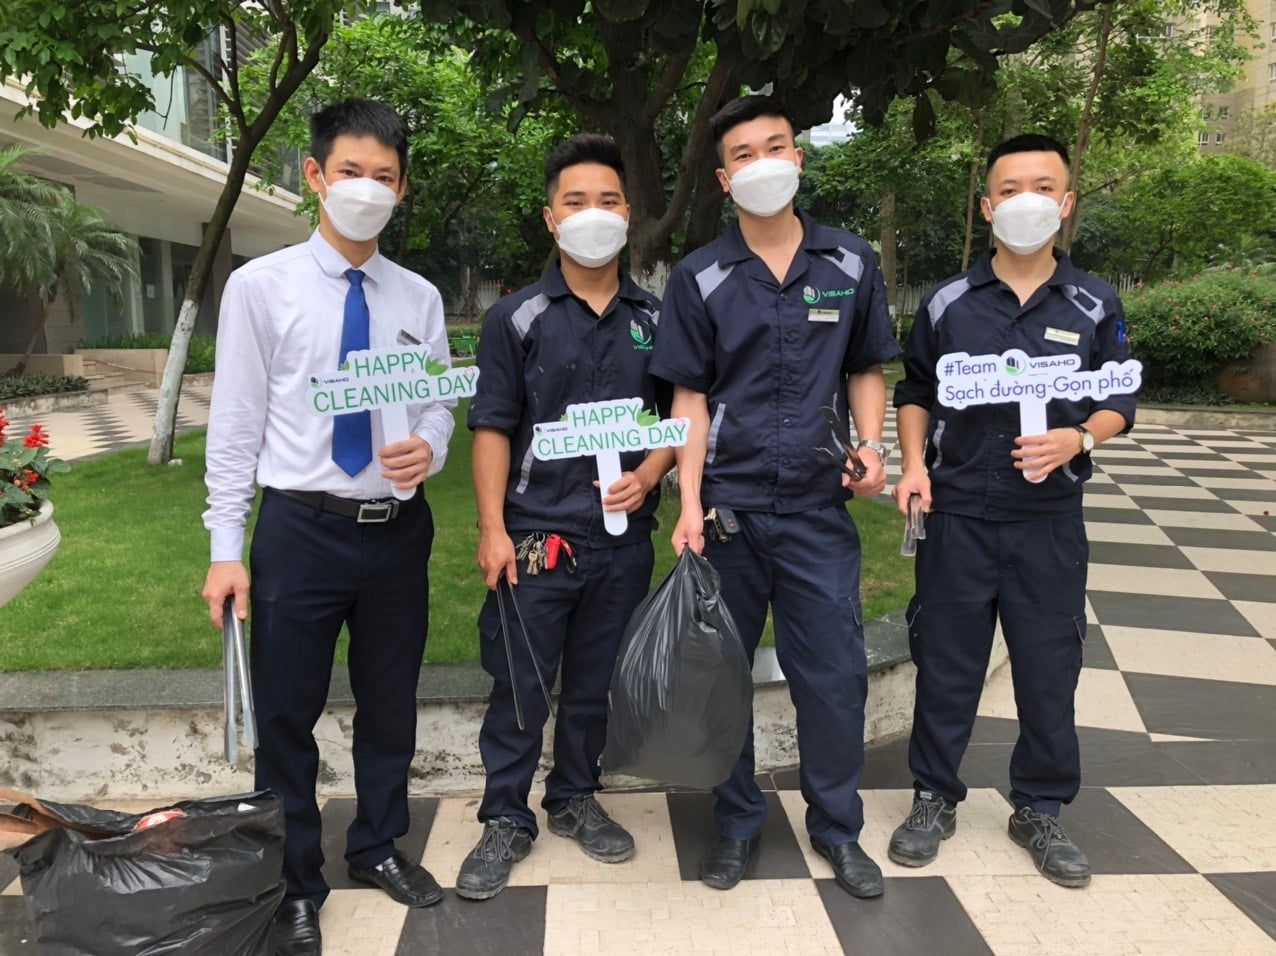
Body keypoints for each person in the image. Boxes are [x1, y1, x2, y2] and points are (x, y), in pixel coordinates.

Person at [202, 99, 452, 955]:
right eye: (351, 172)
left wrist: (430, 446)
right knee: (285, 715)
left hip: (396, 532)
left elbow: (437, 402)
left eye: (384, 178)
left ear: (402, 189)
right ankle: (295, 881)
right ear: (314, 175)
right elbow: (234, 429)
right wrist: (224, 551)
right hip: (299, 532)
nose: (367, 190)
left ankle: (377, 846)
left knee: (390, 705)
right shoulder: (259, 288)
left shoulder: (419, 297)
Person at [649, 95, 900, 898]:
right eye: (745, 155)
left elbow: (867, 367)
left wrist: (870, 445)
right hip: (728, 510)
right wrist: (687, 504)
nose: (765, 164)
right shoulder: (701, 276)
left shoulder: (851, 263)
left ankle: (837, 827)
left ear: (799, 156)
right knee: (721, 676)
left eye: (777, 146)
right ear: (725, 179)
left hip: (818, 513)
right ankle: (736, 825)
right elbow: (687, 398)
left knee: (833, 675)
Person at [889, 133, 1137, 888]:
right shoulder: (948, 303)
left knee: (1048, 665)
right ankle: (934, 796)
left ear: (1064, 205)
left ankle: (1041, 806)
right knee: (948, 664)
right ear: (988, 204)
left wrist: (1077, 437)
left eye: (1043, 186)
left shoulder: (1094, 303)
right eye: (1010, 187)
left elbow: (1119, 397)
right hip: (960, 515)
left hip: (1048, 524)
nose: (1025, 200)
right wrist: (911, 468)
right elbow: (915, 392)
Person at [457, 134, 674, 900]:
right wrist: (491, 528)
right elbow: (491, 428)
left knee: (594, 683)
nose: (593, 214)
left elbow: (679, 420)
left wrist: (650, 475)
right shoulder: (516, 320)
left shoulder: (659, 317)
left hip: (623, 541)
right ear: (551, 219)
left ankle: (576, 797)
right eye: (576, 202)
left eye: (608, 200)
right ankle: (506, 817)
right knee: (521, 682)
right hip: (536, 537)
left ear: (629, 213)